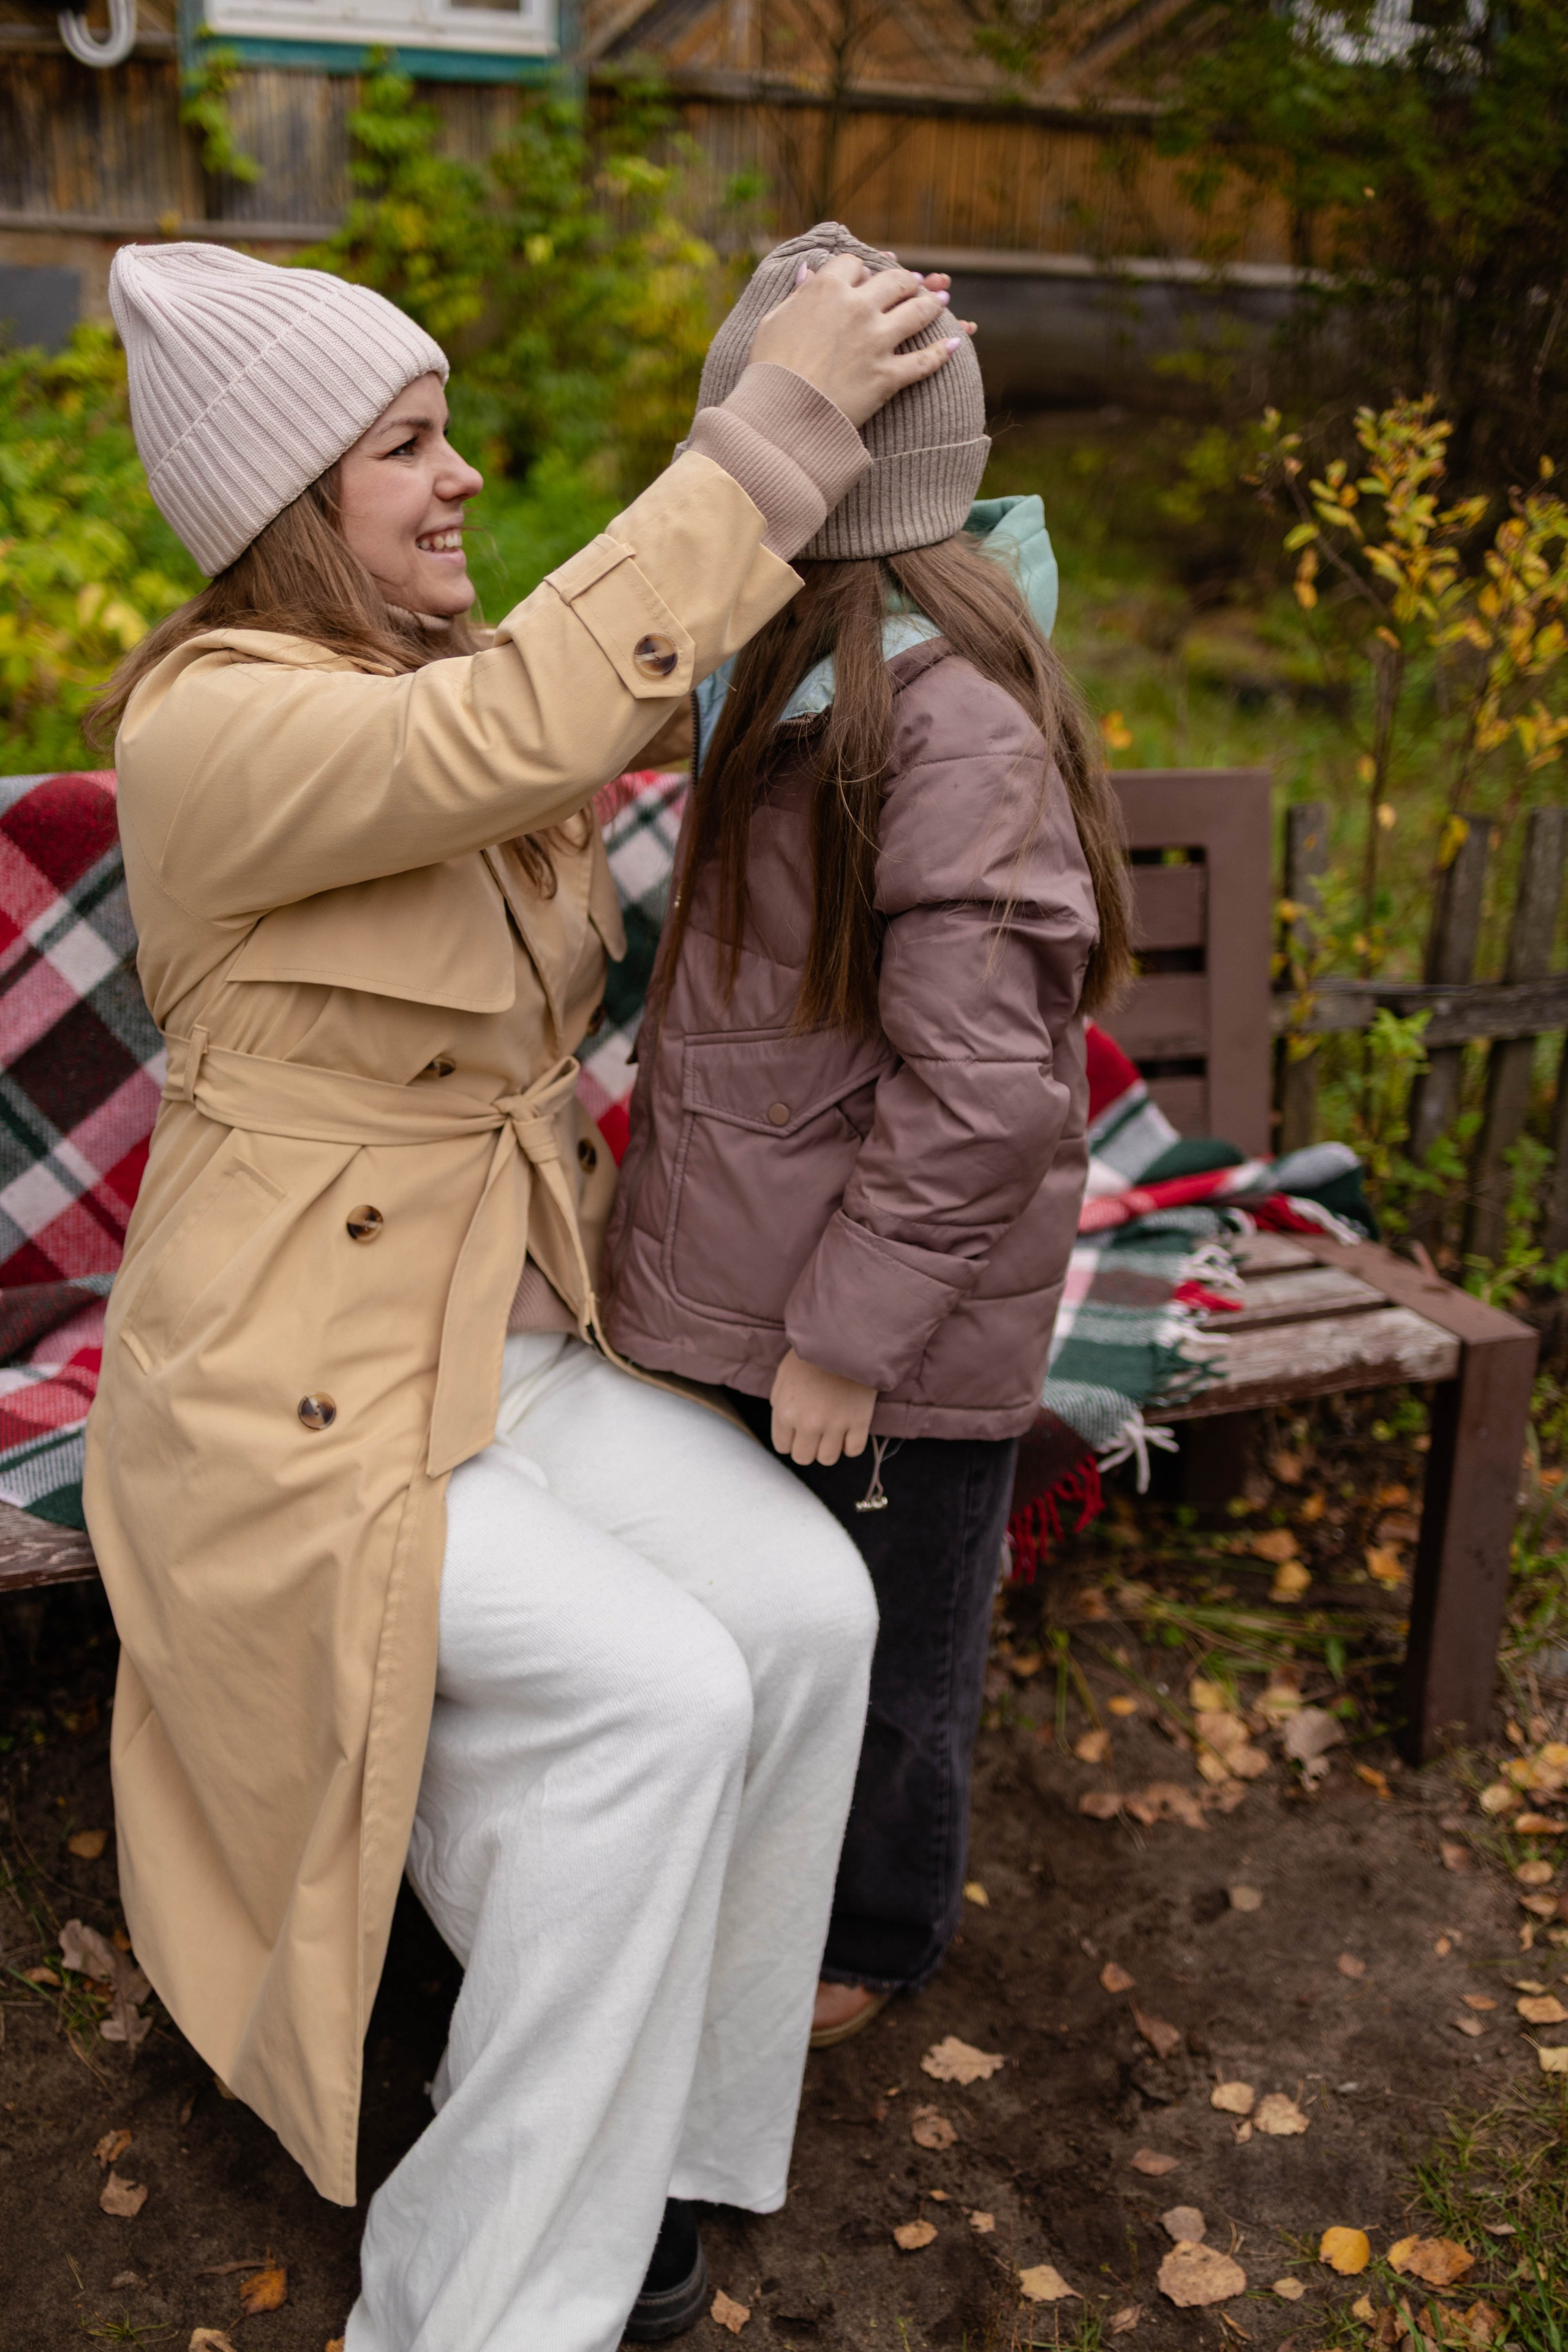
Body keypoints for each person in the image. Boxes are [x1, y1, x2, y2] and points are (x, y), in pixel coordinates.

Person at [84, 236, 968, 2350]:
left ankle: (643, 2152)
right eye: (408, 445)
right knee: (654, 1698)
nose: (462, 476)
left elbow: (596, 684)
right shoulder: (217, 724)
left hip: (502, 1335)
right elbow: (529, 721)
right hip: (286, 1394)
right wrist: (767, 424)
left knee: (805, 1609)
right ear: (294, 501)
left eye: (450, 433)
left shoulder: (428, 682)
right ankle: (482, 2306)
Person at [602, 221, 1133, 2049]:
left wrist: (844, 1336)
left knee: (898, 1658)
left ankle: (867, 1940)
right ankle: (761, 1893)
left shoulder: (947, 722)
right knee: (777, 1628)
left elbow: (984, 1087)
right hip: (778, 1282)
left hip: (883, 1337)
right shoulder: (802, 674)